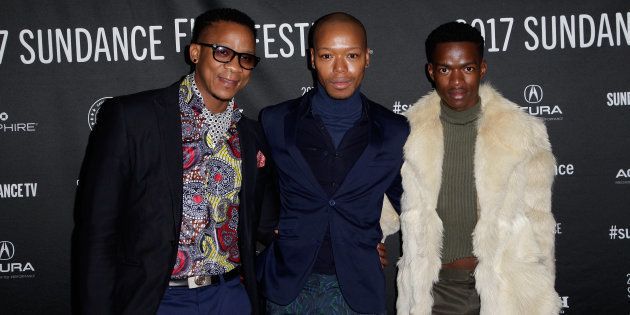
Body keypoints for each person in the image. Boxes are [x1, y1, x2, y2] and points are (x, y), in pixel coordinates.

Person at [74, 8, 277, 315]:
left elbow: (268, 222)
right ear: (195, 52)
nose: (234, 67)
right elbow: (97, 233)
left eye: (245, 58)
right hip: (159, 299)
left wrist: (353, 241)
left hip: (231, 296)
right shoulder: (133, 119)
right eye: (223, 52)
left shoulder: (250, 135)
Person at [391, 21, 561, 314]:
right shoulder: (406, 133)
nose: (457, 81)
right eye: (445, 69)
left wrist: (542, 291)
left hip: (507, 287)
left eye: (467, 68)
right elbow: (381, 202)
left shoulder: (523, 132)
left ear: (482, 69)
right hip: (435, 291)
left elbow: (539, 220)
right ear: (431, 72)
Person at [256, 12, 409, 314]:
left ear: (367, 57)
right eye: (327, 56)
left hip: (359, 289)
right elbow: (255, 187)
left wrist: (366, 240)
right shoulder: (275, 121)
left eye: (351, 55)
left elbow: (412, 204)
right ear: (313, 58)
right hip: (288, 288)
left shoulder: (394, 131)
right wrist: (270, 229)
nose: (340, 69)